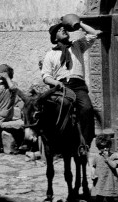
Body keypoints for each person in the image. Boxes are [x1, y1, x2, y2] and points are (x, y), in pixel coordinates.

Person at [41, 13, 101, 145]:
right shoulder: (50, 54)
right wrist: (55, 82)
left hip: (78, 86)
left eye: (64, 28)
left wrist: (78, 24)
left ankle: (86, 142)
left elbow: (93, 34)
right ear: (55, 38)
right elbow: (45, 76)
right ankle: (55, 140)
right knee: (57, 109)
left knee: (87, 108)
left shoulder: (77, 45)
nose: (63, 30)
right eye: (59, 30)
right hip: (61, 86)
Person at [90, 133, 118, 202]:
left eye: (106, 147)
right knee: (99, 199)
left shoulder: (113, 156)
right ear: (97, 147)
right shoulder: (96, 157)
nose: (104, 150)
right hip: (99, 180)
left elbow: (115, 165)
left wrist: (107, 158)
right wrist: (92, 174)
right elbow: (93, 166)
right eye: (101, 148)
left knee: (110, 199)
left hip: (109, 181)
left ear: (109, 146)